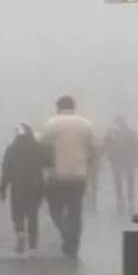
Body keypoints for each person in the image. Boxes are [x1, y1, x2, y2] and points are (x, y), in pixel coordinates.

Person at [41, 96, 96, 258]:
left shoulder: (52, 123)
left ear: (58, 108)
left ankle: (65, 232)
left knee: (54, 208)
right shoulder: (86, 125)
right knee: (75, 210)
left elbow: (44, 146)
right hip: (79, 175)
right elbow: (92, 149)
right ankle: (74, 243)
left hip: (58, 174)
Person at [0, 124, 48, 255]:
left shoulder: (11, 149)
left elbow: (6, 170)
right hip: (36, 185)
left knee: (17, 213)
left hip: (18, 185)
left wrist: (2, 188)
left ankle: (20, 231)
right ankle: (32, 247)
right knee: (33, 215)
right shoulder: (38, 147)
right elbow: (48, 161)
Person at [104, 117, 138, 216]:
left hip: (120, 160)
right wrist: (137, 158)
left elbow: (106, 146)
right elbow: (136, 146)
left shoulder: (111, 133)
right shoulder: (130, 133)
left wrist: (108, 156)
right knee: (125, 179)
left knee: (121, 180)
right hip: (124, 160)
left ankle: (123, 198)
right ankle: (127, 198)